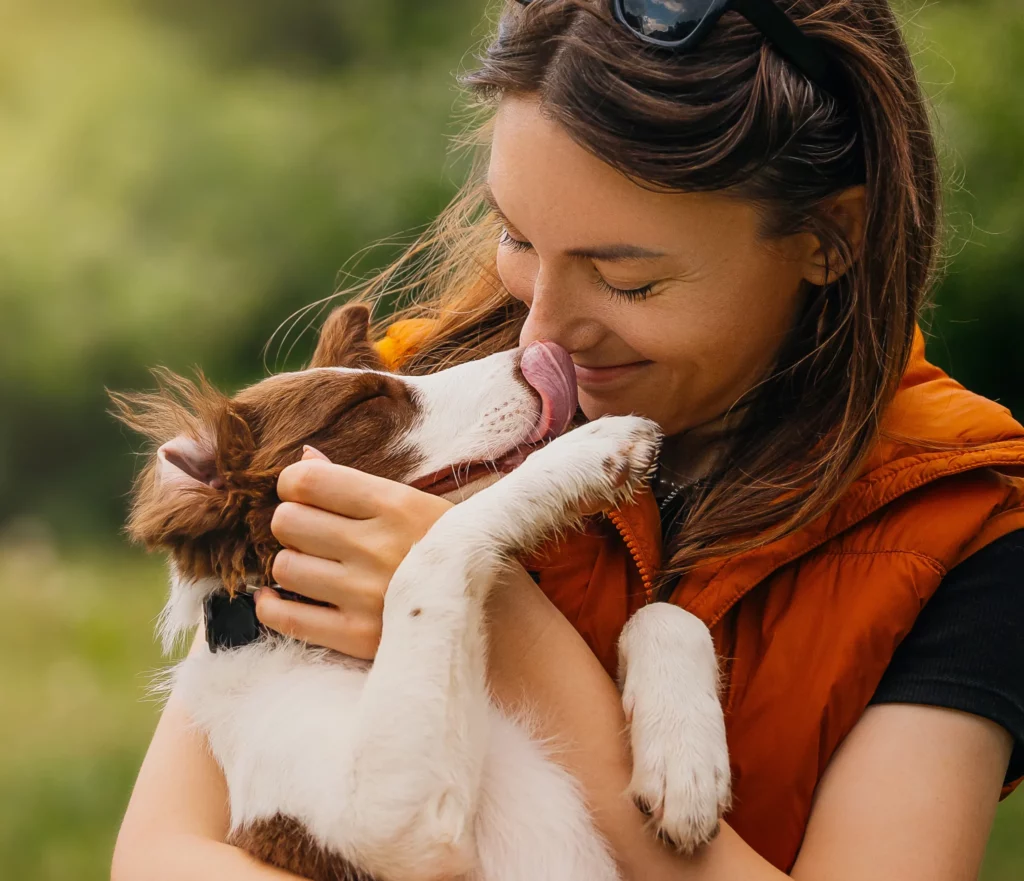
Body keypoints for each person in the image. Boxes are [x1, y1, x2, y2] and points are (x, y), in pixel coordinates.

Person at [111, 1, 1024, 879]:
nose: (537, 337)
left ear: (831, 235)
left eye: (626, 280)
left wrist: (505, 625)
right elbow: (160, 856)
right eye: (516, 236)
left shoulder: (963, 521)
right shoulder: (409, 416)